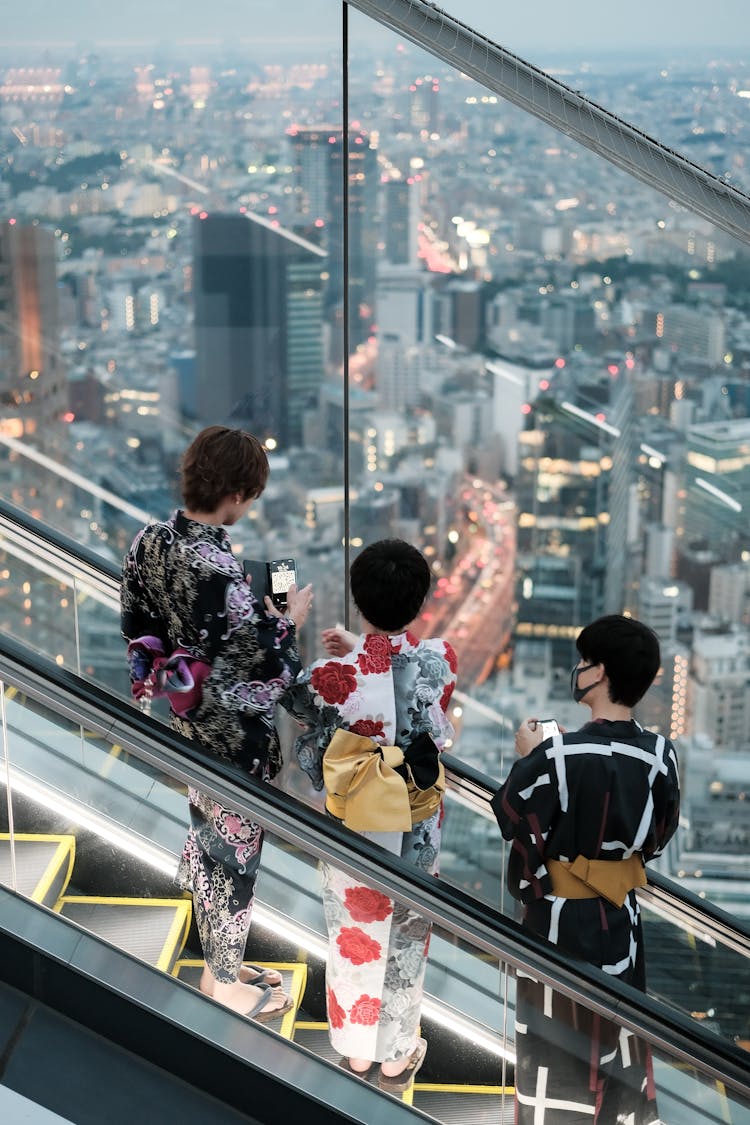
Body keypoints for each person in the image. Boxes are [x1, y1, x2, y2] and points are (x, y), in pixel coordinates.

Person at [121, 425, 313, 1022]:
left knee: (212, 840)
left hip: (185, 724)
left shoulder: (150, 542)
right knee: (234, 858)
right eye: (250, 494)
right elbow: (271, 667)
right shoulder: (225, 578)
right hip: (234, 744)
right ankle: (225, 985)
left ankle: (217, 963)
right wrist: (286, 621)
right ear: (236, 495)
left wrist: (220, 635)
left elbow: (138, 625)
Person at [283, 539, 457, 1092]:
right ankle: (395, 1055)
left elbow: (294, 697)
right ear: (423, 601)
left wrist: (304, 632)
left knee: (354, 934)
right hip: (416, 827)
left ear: (358, 601)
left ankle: (356, 1056)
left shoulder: (332, 674)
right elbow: (405, 672)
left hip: (355, 826)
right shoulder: (441, 661)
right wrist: (368, 646)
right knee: (407, 940)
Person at [492, 614, 680, 1125]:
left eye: (583, 661)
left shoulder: (560, 753)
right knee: (619, 1033)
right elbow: (659, 837)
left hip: (557, 920)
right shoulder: (661, 756)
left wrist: (527, 756)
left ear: (599, 674)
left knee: (555, 1043)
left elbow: (510, 810)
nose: (577, 670)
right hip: (621, 919)